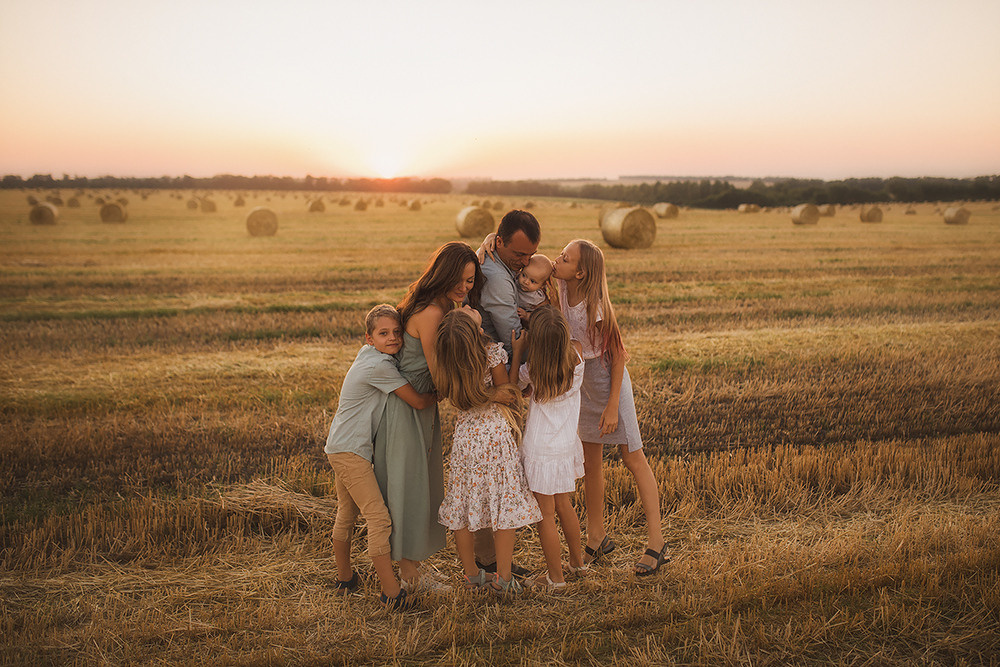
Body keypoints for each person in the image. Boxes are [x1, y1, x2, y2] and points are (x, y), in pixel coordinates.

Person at [552, 239, 668, 577]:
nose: (558, 260)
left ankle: (657, 543)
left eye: (565, 257)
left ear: (581, 272)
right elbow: (537, 262)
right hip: (580, 383)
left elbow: (617, 355)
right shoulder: (560, 285)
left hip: (607, 381)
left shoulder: (596, 306)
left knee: (633, 458)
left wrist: (613, 405)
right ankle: (597, 536)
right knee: (591, 463)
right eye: (561, 255)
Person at [372, 242, 484, 592]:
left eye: (471, 281)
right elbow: (440, 376)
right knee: (410, 489)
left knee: (417, 488)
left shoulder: (435, 304)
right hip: (407, 411)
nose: (466, 288)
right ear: (445, 273)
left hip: (417, 408)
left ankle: (411, 571)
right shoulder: (433, 314)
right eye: (461, 280)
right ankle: (410, 576)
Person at [324, 304, 435, 610]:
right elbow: (418, 401)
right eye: (383, 333)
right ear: (369, 337)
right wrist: (444, 389)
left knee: (346, 513)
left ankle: (345, 579)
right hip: (352, 453)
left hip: (339, 446)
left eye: (397, 332)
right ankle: (391, 592)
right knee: (379, 518)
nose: (393, 338)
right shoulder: (380, 367)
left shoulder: (367, 356)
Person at [433, 307, 542, 595]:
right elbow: (507, 390)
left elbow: (462, 397)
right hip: (494, 435)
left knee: (463, 503)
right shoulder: (491, 352)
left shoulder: (447, 360)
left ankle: (471, 576)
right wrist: (517, 352)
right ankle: (503, 577)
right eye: (469, 312)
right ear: (476, 332)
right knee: (503, 503)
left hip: (466, 437)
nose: (469, 307)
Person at [509, 305, 588, 590]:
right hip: (566, 444)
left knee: (545, 515)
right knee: (564, 504)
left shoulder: (534, 369)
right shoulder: (577, 356)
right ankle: (578, 563)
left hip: (542, 448)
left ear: (537, 343)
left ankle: (555, 578)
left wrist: (519, 349)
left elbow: (513, 384)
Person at [477, 210, 541, 361]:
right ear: (499, 242)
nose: (526, 262)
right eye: (519, 255)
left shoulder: (500, 257)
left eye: (531, 255)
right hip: (500, 365)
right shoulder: (497, 280)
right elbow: (514, 342)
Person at [514, 254, 555, 329]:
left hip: (528, 325)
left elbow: (542, 315)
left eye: (532, 281)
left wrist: (527, 315)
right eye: (524, 275)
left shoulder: (538, 297)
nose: (526, 282)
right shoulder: (516, 280)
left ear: (542, 285)